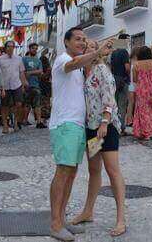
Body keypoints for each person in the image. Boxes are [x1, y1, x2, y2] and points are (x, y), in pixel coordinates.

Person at [49, 28, 113, 241]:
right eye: (77, 39)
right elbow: (73, 64)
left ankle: (62, 219)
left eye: (84, 40)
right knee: (63, 171)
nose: (82, 42)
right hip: (65, 125)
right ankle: (55, 223)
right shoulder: (63, 59)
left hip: (79, 127)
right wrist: (97, 53)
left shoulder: (82, 69)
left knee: (71, 173)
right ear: (66, 42)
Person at [71, 39, 127, 237]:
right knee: (94, 169)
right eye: (88, 47)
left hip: (106, 128)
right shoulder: (81, 73)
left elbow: (109, 97)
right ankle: (88, 211)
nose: (91, 49)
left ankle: (121, 218)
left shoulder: (102, 70)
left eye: (95, 47)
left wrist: (104, 122)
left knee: (113, 171)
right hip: (91, 129)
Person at [0, 40, 28, 133]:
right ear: (5, 48)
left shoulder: (18, 59)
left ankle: (15, 122)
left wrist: (23, 84)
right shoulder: (0, 59)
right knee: (4, 106)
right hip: (5, 85)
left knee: (19, 104)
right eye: (9, 46)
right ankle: (5, 125)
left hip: (16, 84)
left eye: (12, 46)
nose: (11, 48)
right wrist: (0, 86)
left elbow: (21, 72)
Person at [132, 46, 152, 141]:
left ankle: (146, 132)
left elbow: (135, 79)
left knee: (143, 111)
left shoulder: (136, 65)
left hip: (142, 90)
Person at [110, 34, 131, 136]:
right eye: (127, 40)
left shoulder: (114, 53)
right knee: (122, 105)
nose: (128, 42)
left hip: (114, 80)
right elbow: (127, 67)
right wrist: (128, 75)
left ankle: (114, 126)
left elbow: (111, 67)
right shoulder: (124, 52)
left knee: (115, 105)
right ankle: (121, 128)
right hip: (123, 80)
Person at [23, 43, 47, 128]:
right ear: (29, 49)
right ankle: (25, 120)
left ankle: (39, 121)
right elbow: (22, 71)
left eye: (36, 49)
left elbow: (40, 71)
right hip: (26, 84)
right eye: (33, 48)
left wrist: (30, 72)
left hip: (36, 84)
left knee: (37, 104)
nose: (35, 50)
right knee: (27, 103)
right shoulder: (24, 59)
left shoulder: (38, 60)